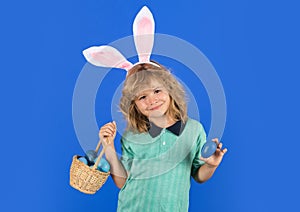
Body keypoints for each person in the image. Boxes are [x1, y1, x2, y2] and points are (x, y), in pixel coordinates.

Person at [98, 62, 227, 211]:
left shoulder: (194, 130)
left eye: (157, 91)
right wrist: (108, 147)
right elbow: (123, 182)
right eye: (142, 97)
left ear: (170, 90)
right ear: (134, 105)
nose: (152, 101)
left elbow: (199, 176)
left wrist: (211, 165)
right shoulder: (131, 136)